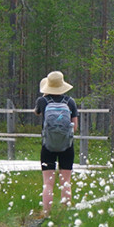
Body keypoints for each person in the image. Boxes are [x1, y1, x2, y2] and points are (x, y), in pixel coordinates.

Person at [34, 71, 79, 215]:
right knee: (65, 181)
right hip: (67, 146)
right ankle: (65, 213)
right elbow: (75, 127)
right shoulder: (70, 102)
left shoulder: (42, 101)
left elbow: (37, 113)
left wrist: (44, 97)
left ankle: (46, 213)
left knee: (48, 183)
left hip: (48, 146)